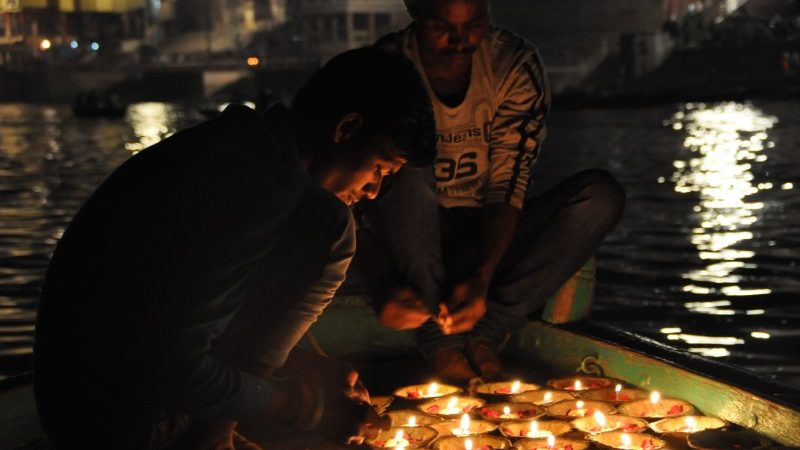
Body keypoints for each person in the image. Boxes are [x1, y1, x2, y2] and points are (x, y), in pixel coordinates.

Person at [33, 47, 436, 450]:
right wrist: (305, 407)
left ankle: (215, 432)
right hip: (110, 420)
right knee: (333, 227)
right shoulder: (260, 188)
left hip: (78, 398)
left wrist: (303, 366)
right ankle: (211, 439)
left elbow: (176, 315)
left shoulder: (242, 149)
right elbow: (170, 361)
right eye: (380, 168)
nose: (372, 190)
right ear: (347, 127)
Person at [352, 0, 626, 381]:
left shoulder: (513, 64)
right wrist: (378, 278)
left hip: (488, 234)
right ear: (415, 12)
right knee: (408, 169)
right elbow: (354, 189)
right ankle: (441, 343)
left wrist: (482, 275)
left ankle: (486, 331)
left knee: (599, 197)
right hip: (411, 236)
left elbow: (509, 182)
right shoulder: (386, 69)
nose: (460, 41)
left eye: (476, 23)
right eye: (442, 27)